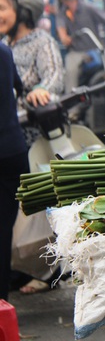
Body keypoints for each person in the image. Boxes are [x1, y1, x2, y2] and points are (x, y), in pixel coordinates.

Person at [0, 0, 66, 294]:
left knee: (40, 209)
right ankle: (18, 268)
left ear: (23, 8)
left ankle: (47, 270)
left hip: (33, 137)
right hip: (10, 135)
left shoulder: (42, 41)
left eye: (3, 8)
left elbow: (54, 75)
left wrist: (41, 90)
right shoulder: (5, 46)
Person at [0, 41, 29, 301]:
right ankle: (1, 305)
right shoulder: (4, 49)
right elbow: (18, 88)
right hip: (10, 149)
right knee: (3, 227)